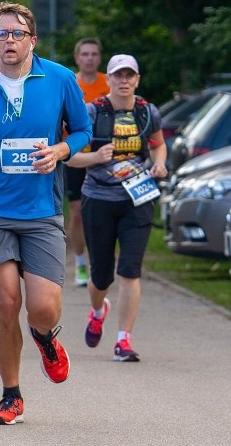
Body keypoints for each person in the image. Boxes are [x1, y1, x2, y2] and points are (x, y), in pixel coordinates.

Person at [0, 1, 92, 425]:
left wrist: (62, 150)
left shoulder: (61, 79)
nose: (8, 41)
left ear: (33, 39)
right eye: (1, 34)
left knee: (43, 307)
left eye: (17, 33)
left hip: (41, 210)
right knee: (6, 301)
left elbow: (82, 130)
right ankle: (11, 395)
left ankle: (45, 337)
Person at [66, 54, 166, 363]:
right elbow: (69, 156)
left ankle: (123, 341)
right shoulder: (91, 112)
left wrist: (159, 163)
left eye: (129, 75)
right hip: (99, 199)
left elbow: (158, 143)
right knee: (101, 276)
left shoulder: (147, 112)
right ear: (107, 79)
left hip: (137, 199)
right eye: (117, 75)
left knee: (130, 271)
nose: (124, 81)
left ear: (137, 79)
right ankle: (98, 310)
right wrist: (95, 157)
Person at [64, 38, 109, 286]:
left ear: (99, 58)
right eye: (85, 54)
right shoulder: (71, 83)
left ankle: (100, 263)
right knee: (78, 213)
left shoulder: (108, 83)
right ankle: (80, 263)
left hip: (106, 156)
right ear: (77, 58)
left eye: (93, 54)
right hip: (77, 155)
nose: (89, 58)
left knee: (104, 212)